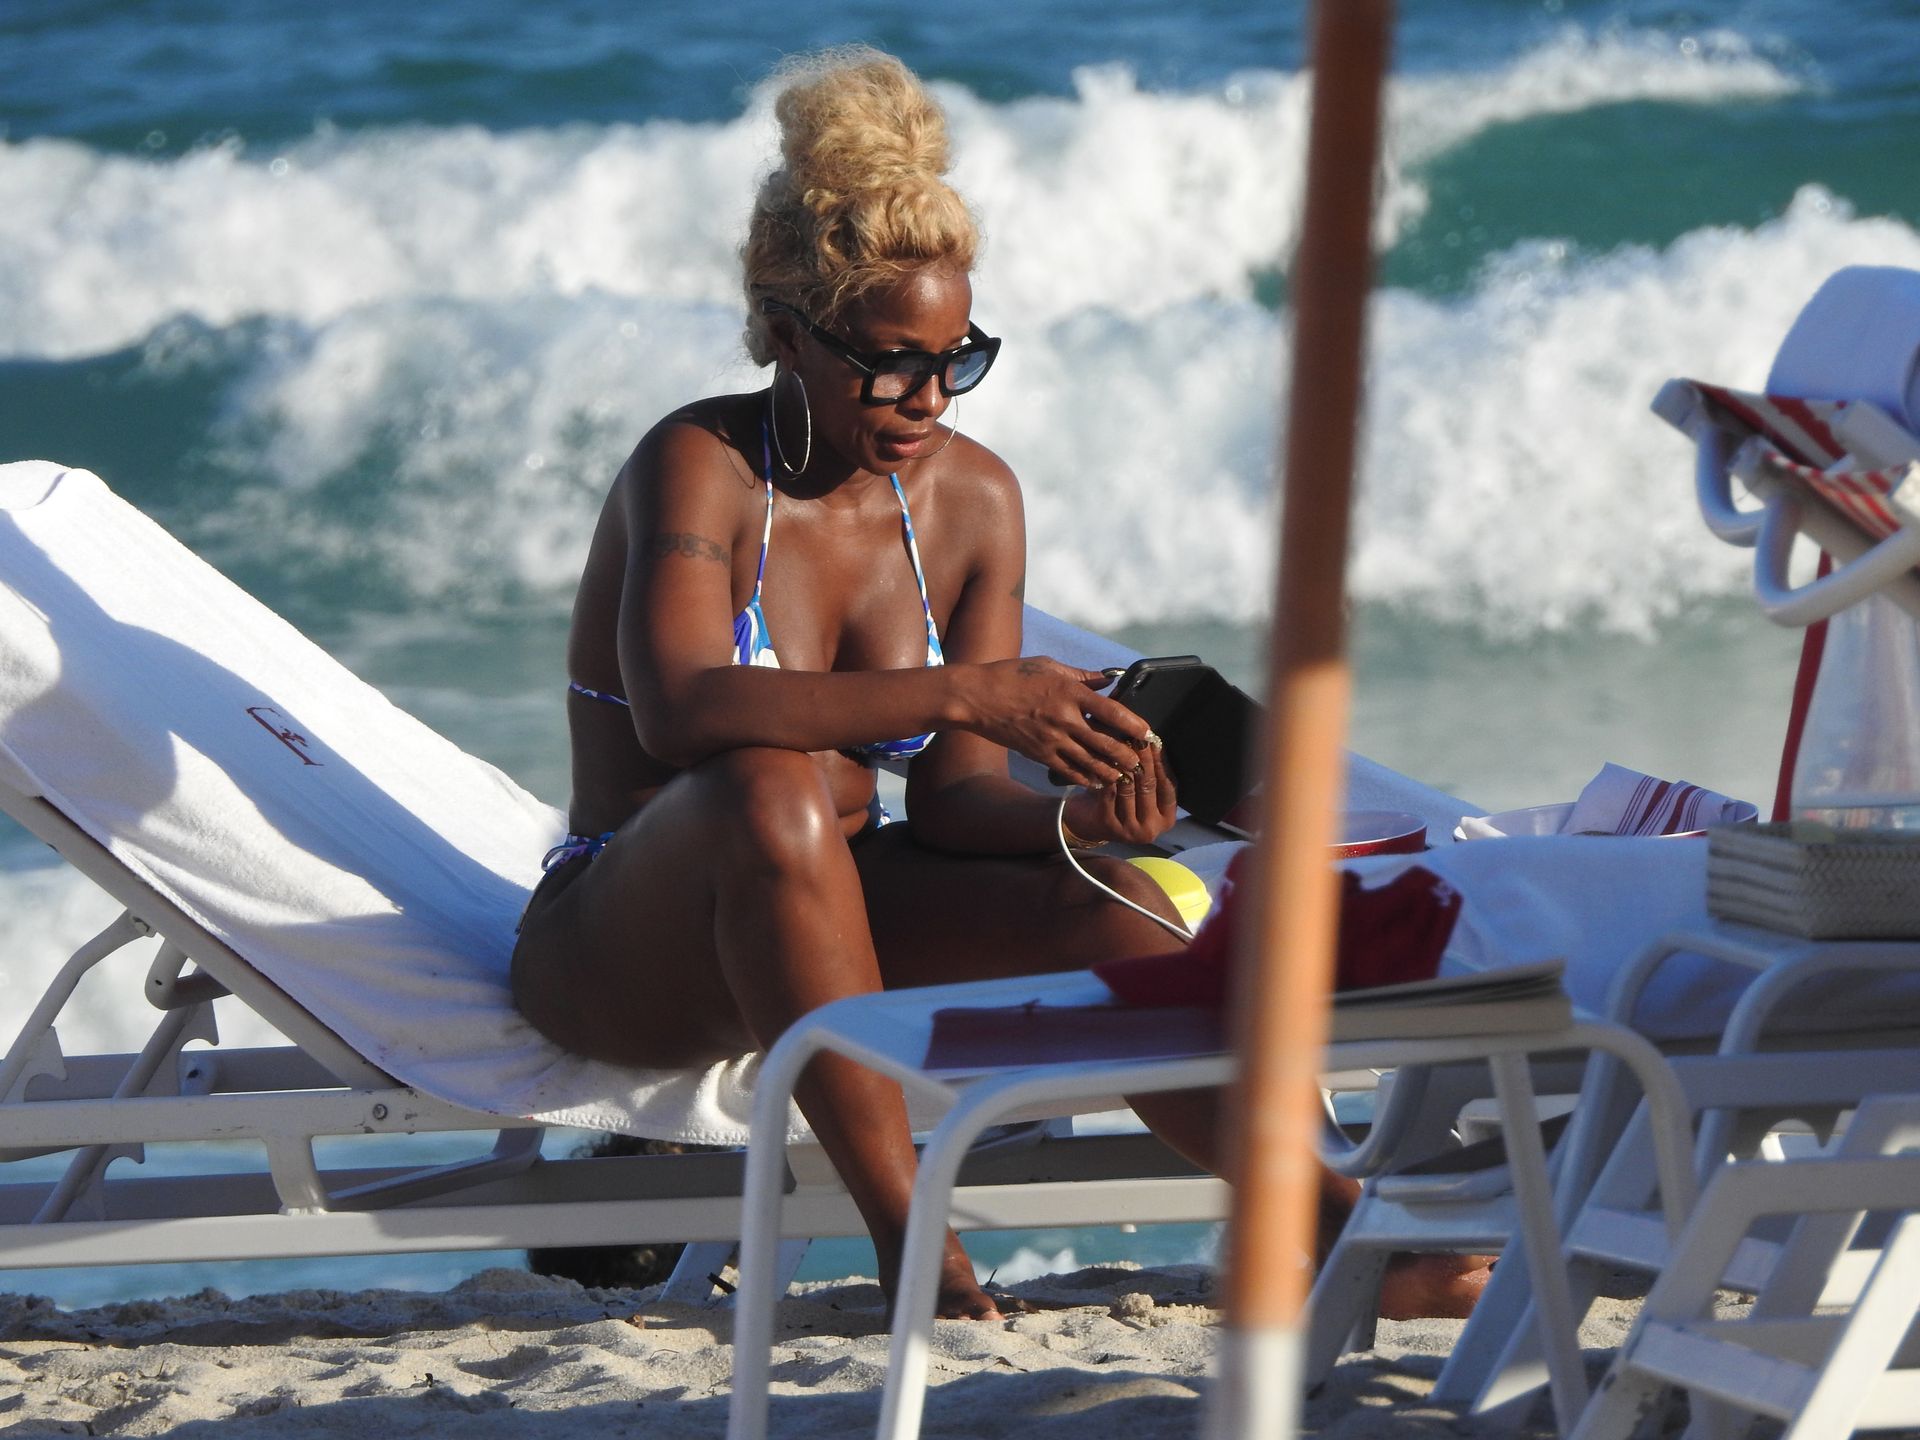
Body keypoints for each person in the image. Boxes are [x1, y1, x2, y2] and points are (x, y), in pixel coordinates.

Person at [510, 45, 1487, 1322]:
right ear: (789, 336)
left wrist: (1078, 817)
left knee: (1122, 912)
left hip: (838, 909)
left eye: (956, 359)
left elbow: (958, 802)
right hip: (627, 946)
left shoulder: (973, 500)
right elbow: (683, 709)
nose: (928, 399)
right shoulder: (699, 464)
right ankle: (913, 1242)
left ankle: (1354, 1237)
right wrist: (964, 694)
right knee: (766, 789)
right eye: (891, 361)